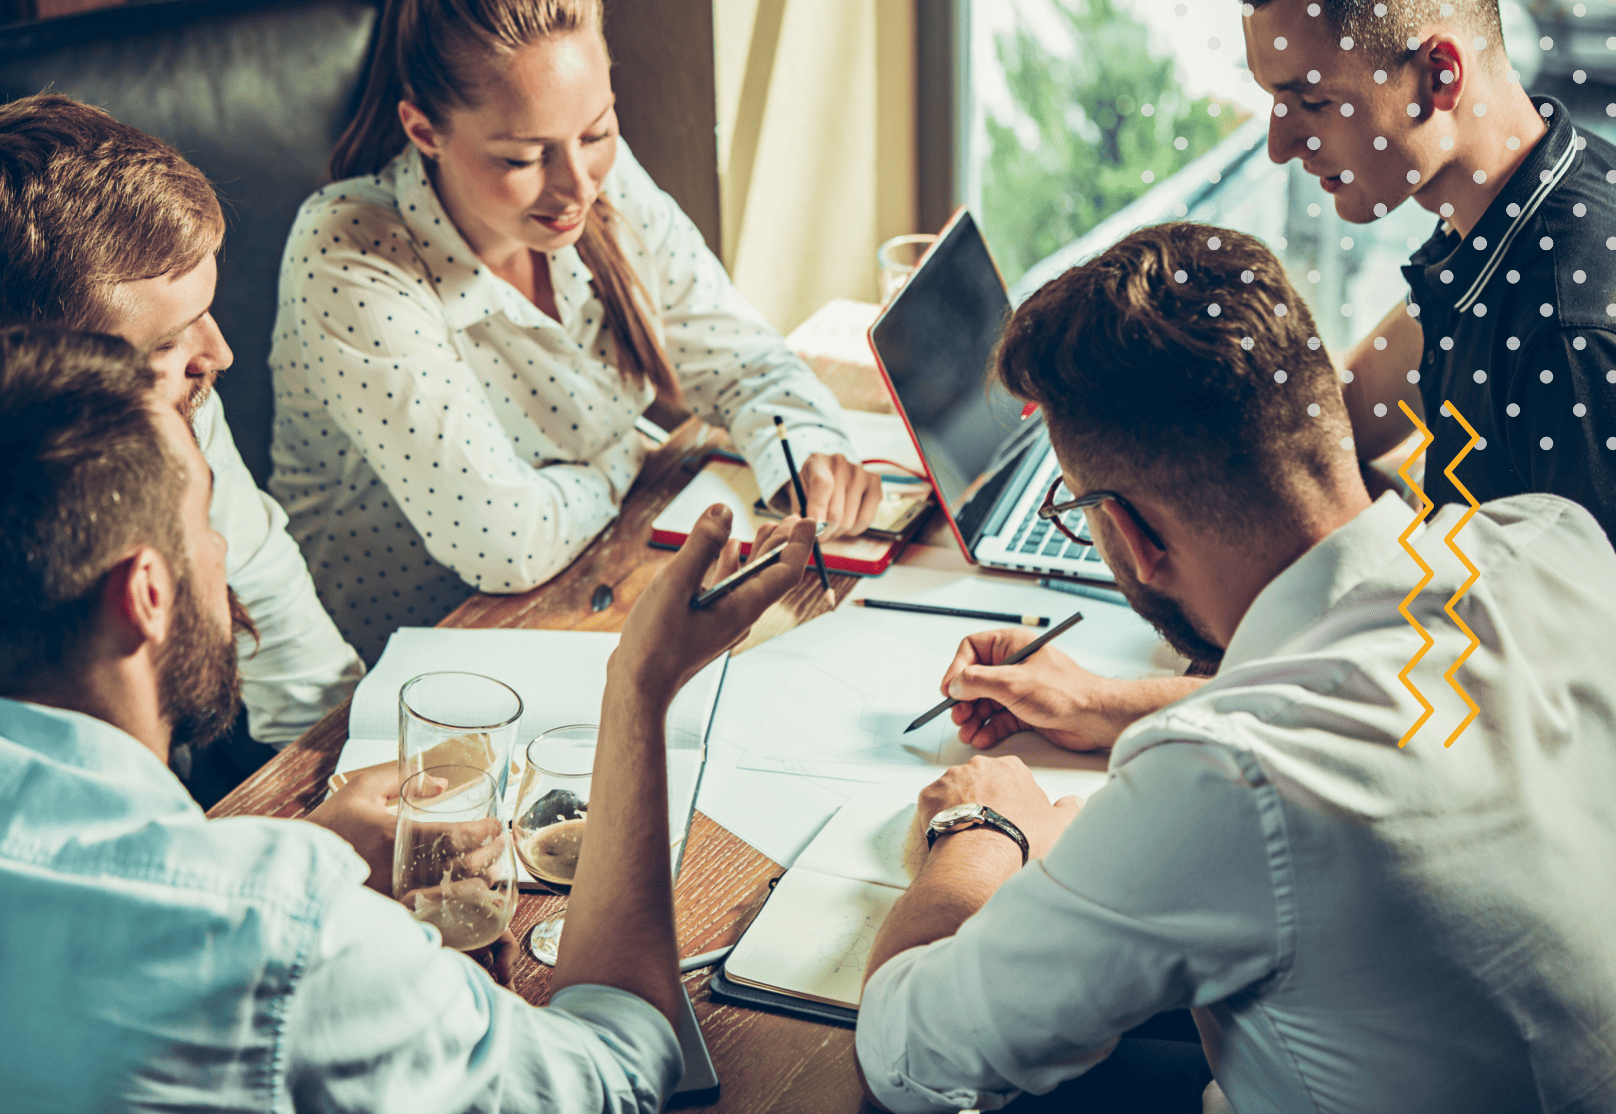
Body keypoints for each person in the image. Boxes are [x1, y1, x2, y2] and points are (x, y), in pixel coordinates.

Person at [855, 223, 1616, 1113]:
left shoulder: (1225, 783)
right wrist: (1110, 703)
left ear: (1133, 538)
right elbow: (1388, 710)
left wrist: (983, 830)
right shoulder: (1548, 543)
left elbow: (906, 1056)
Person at [0, 323, 817, 1112]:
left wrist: (310, 847)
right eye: (204, 524)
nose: (221, 555)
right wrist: (640, 684)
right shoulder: (290, 943)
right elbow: (617, 1072)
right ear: (145, 595)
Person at [270, 0, 880, 662]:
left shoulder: (594, 173)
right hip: (408, 671)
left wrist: (806, 446)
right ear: (424, 131)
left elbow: (743, 362)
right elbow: (505, 544)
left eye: (596, 132)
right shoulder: (347, 253)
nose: (577, 186)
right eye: (522, 157)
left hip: (593, 585)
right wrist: (632, 457)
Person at [0, 94, 364, 794]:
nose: (218, 355)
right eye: (165, 342)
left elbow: (295, 652)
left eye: (204, 314)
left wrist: (358, 778)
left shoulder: (183, 405)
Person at [1246, 0, 1616, 537]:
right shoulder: (1504, 209)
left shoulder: (1566, 333)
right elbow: (1345, 413)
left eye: (1312, 100)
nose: (1280, 147)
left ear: (1441, 75)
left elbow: (1583, 614)